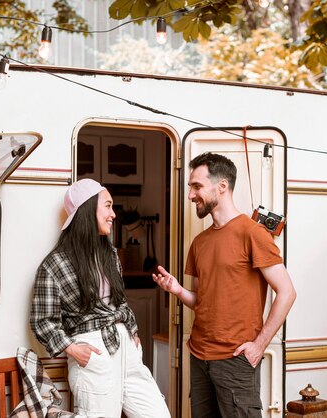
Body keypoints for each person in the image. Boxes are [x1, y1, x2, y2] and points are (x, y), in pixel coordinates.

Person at [153, 152, 296, 418]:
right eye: (190, 187)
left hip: (235, 360)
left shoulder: (252, 233)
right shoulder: (200, 243)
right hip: (199, 357)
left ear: (222, 186)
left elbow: (287, 292)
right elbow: (203, 302)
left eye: (197, 186)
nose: (190, 195)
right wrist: (177, 290)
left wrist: (259, 345)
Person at [31, 179, 170, 418]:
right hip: (93, 355)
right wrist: (72, 349)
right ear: (87, 210)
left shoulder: (110, 254)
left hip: (127, 349)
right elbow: (43, 321)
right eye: (108, 206)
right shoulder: (55, 264)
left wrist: (133, 332)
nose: (113, 214)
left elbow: (120, 301)